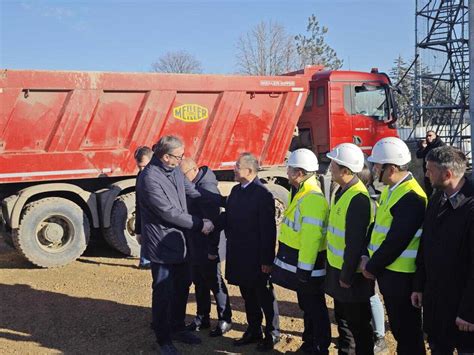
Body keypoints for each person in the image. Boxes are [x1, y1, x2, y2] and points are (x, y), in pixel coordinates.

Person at [136, 135, 214, 355]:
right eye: (178, 157)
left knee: (182, 286)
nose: (182, 161)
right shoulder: (149, 178)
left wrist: (223, 201)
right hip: (161, 245)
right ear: (165, 156)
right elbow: (168, 212)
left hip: (180, 242)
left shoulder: (174, 170)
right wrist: (200, 224)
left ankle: (178, 327)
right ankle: (163, 338)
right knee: (163, 291)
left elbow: (193, 193)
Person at [361, 136, 427, 355]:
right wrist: (366, 255)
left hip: (402, 276)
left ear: (391, 168)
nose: (374, 169)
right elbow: (378, 225)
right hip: (390, 273)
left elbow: (396, 241)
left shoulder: (411, 196)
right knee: (400, 330)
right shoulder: (392, 189)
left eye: (378, 165)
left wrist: (372, 266)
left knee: (408, 332)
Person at [412, 146, 474, 354]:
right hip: (437, 305)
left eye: (430, 170)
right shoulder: (437, 199)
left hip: (463, 312)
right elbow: (425, 246)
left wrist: (469, 312)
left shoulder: (470, 208)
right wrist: (419, 285)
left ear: (447, 174)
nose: (426, 173)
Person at [217, 152, 280, 352]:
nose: (234, 169)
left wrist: (267, 260)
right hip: (239, 255)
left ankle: (272, 333)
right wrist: (206, 224)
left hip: (256, 257)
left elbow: (268, 231)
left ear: (250, 170)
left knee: (264, 297)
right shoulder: (236, 191)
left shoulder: (263, 195)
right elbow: (228, 218)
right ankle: (254, 330)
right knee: (248, 296)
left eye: (237, 166)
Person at [271, 148, 331, 354]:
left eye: (289, 169)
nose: (286, 172)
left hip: (308, 264)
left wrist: (304, 269)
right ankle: (310, 341)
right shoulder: (301, 192)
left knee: (315, 306)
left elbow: (311, 239)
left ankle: (319, 346)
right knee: (307, 305)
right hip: (303, 262)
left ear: (299, 173)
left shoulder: (312, 198)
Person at [325, 143, 375, 354]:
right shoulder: (342, 191)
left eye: (333, 165)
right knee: (344, 323)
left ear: (345, 170)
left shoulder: (358, 199)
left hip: (351, 278)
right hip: (340, 271)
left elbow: (354, 244)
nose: (330, 168)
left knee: (359, 327)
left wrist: (346, 276)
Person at [179, 158, 232, 337]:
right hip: (194, 245)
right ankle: (203, 317)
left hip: (207, 247)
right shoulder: (193, 185)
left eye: (182, 175)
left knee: (215, 282)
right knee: (199, 282)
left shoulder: (206, 189)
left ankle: (225, 319)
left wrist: (212, 250)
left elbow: (214, 224)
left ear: (192, 171)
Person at [357, 163, 387, 353]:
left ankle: (380, 336)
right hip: (361, 257)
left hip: (369, 259)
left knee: (372, 296)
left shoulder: (367, 201)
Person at [134, 146, 153, 269]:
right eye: (139, 166)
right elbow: (138, 203)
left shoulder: (157, 177)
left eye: (144, 166)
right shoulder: (140, 176)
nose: (141, 169)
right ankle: (145, 262)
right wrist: (138, 230)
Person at [416, 130, 445, 196]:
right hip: (428, 173)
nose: (428, 137)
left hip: (438, 173)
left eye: (430, 136)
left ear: (435, 136)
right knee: (429, 192)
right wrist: (422, 147)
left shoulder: (440, 145)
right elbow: (419, 155)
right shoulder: (428, 146)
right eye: (427, 136)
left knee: (439, 193)